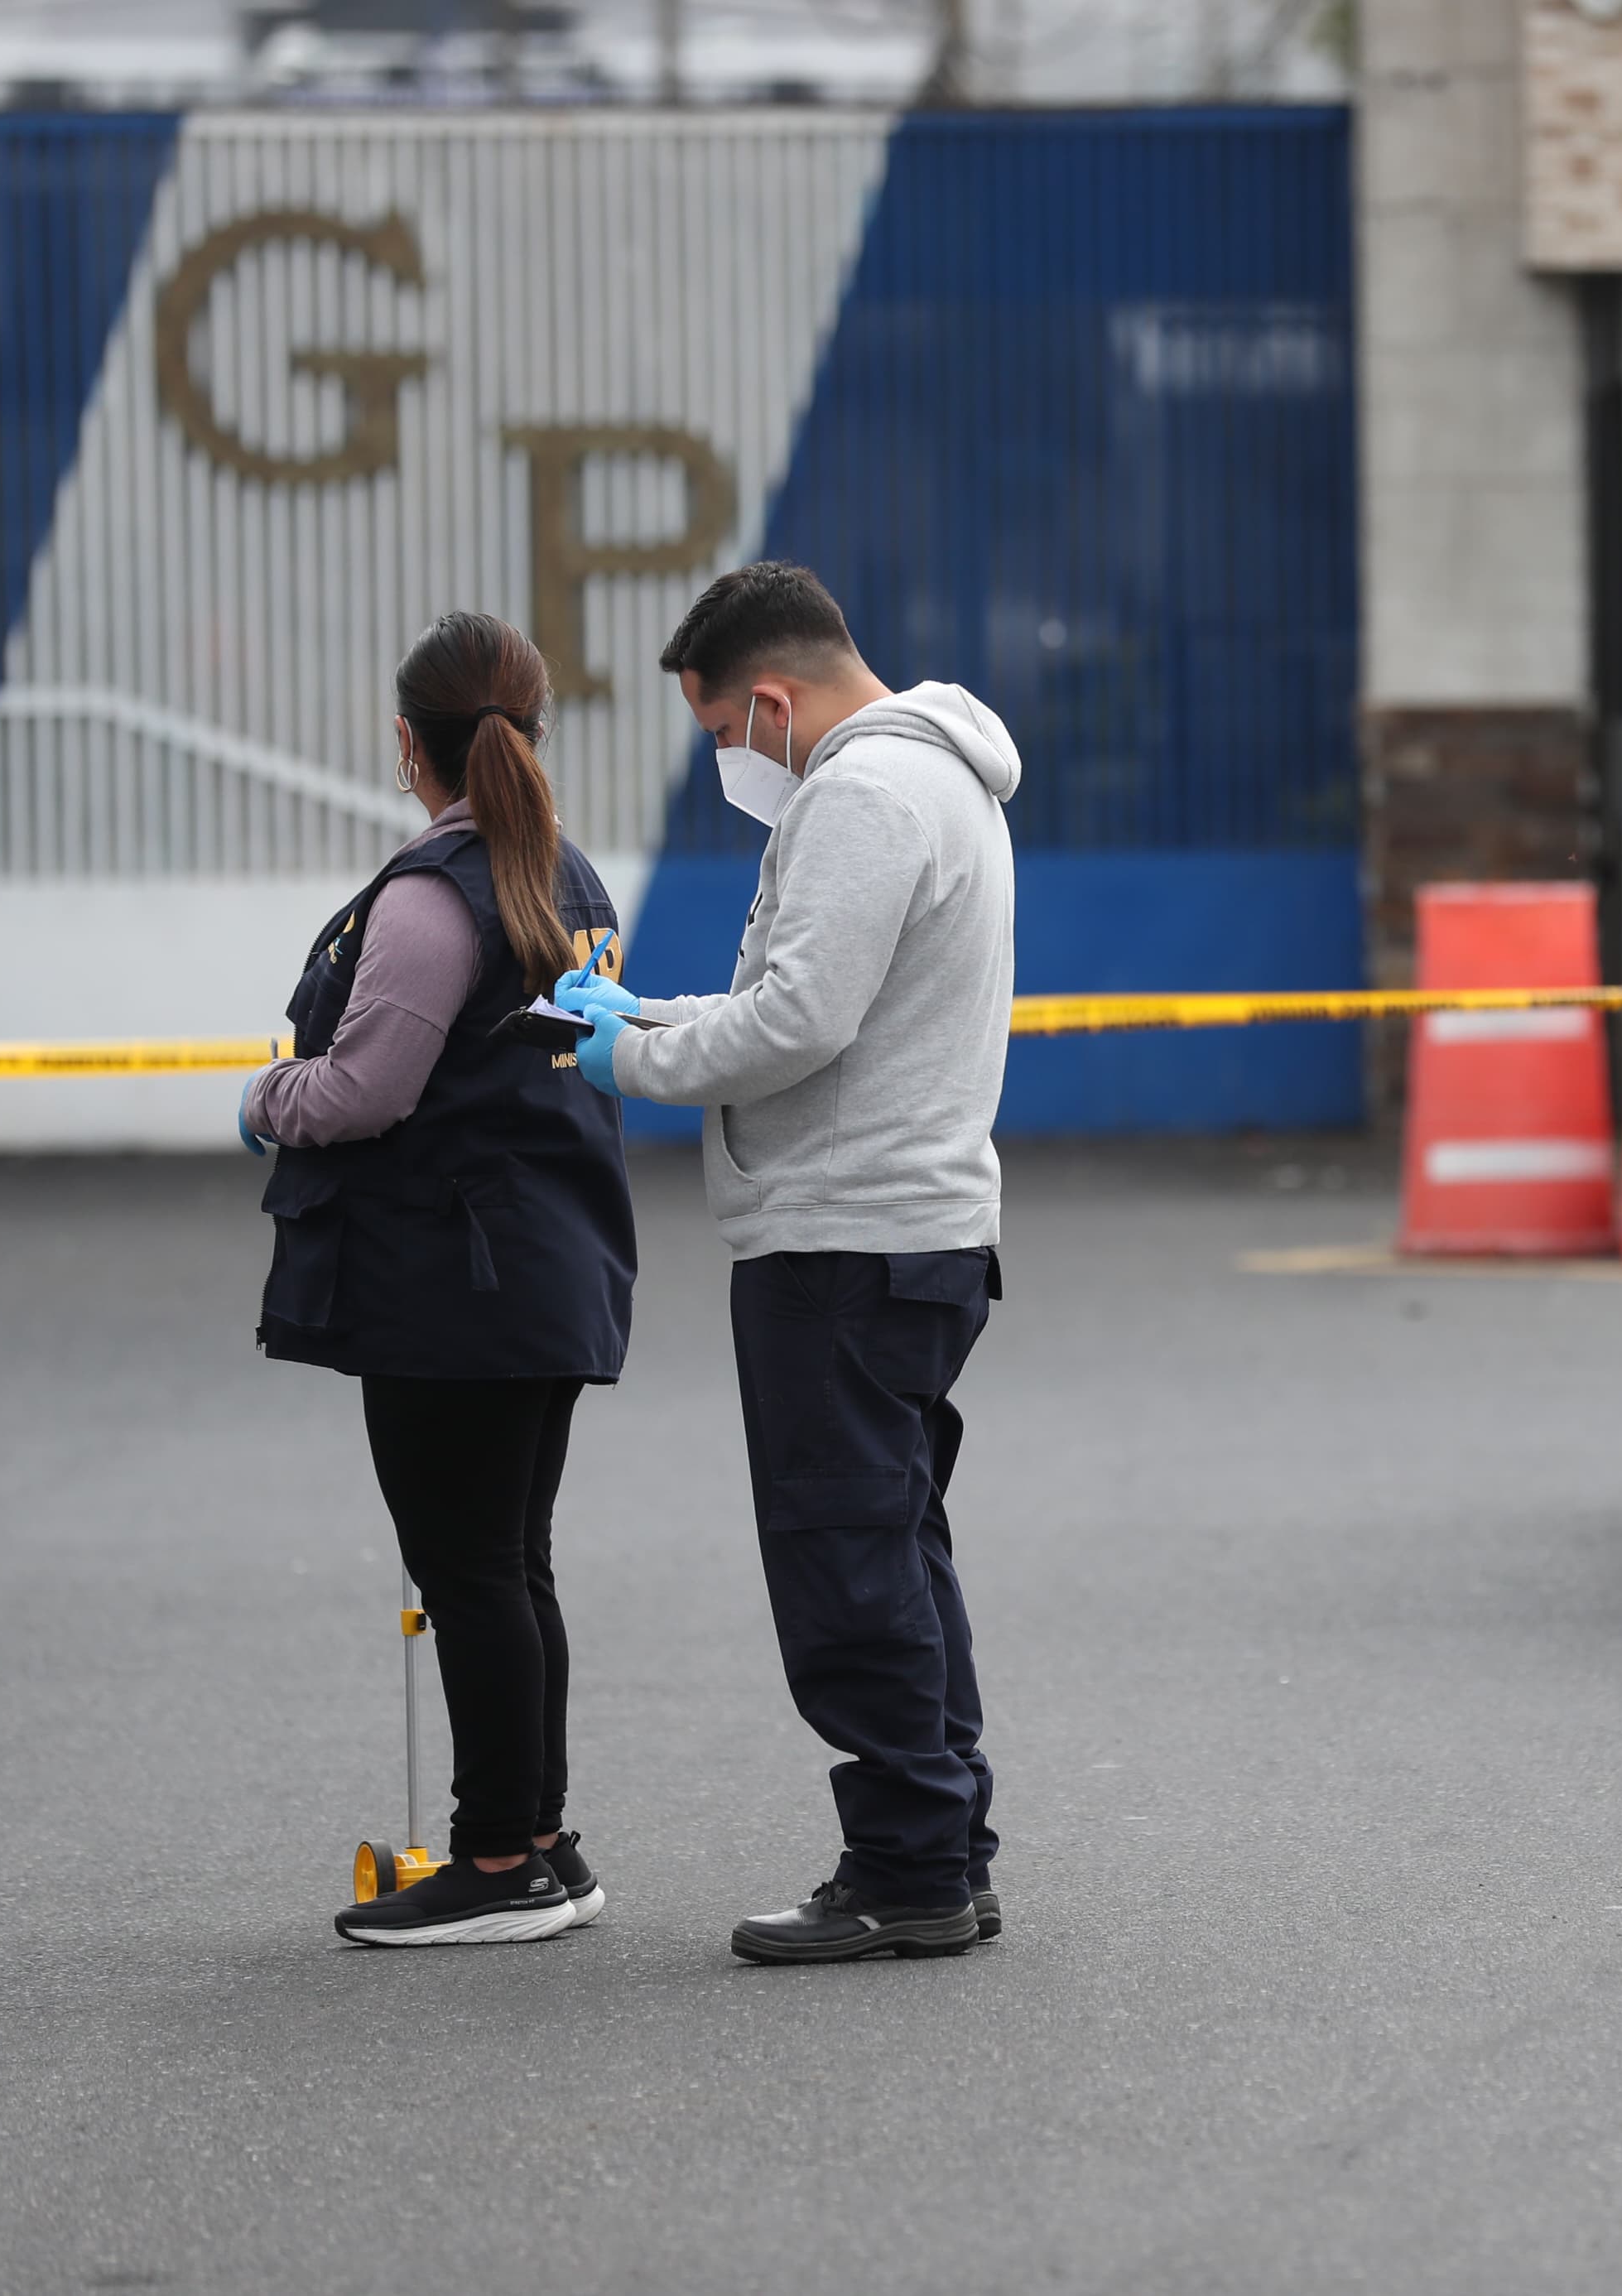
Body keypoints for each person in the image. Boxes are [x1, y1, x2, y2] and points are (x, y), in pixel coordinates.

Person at [551, 561, 1018, 1966]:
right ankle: (944, 1846)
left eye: (718, 730)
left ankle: (907, 1869)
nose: (726, 758)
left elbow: (801, 1021)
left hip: (845, 1240)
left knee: (846, 1566)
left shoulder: (864, 795)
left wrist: (627, 1054)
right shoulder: (942, 778)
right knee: (897, 1548)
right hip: (911, 1233)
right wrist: (661, 1009)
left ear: (768, 695)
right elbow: (807, 1002)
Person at [245, 609, 639, 1949]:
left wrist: (264, 1093)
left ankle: (496, 1858)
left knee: (472, 1570)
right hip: (547, 1268)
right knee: (510, 1565)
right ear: (529, 730)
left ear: (409, 742)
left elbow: (363, 1091)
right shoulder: (570, 878)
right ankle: (542, 1844)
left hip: (450, 1283)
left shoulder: (428, 897)